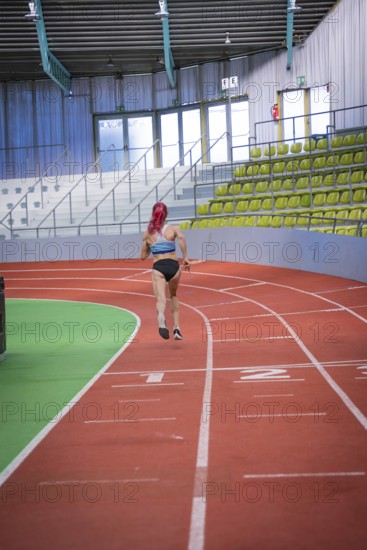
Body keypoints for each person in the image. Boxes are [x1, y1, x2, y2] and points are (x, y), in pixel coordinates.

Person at [140, 202, 190, 340]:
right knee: (173, 295)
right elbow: (181, 237)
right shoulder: (173, 229)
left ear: (153, 215)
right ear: (166, 214)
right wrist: (185, 257)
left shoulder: (148, 233)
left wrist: (149, 244)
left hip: (159, 268)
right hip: (173, 266)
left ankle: (161, 318)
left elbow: (143, 256)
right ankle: (177, 329)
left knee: (161, 299)